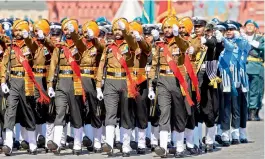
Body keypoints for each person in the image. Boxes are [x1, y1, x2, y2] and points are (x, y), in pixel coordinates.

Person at [1, 19, 50, 155]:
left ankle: (32, 143)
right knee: (10, 111)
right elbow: (4, 65)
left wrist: (27, 37)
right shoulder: (11, 47)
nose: (16, 33)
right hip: (14, 81)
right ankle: (8, 144)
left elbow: (34, 51)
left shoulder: (31, 45)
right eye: (15, 31)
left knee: (28, 111)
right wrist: (3, 82)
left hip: (27, 82)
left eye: (19, 30)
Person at [148, 15, 191, 158]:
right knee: (164, 112)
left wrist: (178, 36)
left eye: (169, 27)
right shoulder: (159, 45)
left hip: (177, 81)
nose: (166, 30)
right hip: (163, 81)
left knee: (179, 113)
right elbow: (154, 66)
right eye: (164, 28)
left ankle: (179, 147)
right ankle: (164, 147)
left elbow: (185, 48)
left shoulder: (181, 42)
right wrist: (150, 87)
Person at [96, 17, 138, 157]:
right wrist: (98, 86)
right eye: (115, 29)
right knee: (110, 113)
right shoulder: (108, 47)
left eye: (120, 29)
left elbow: (133, 44)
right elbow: (101, 65)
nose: (117, 32)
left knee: (126, 114)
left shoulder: (131, 44)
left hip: (126, 81)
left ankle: (126, 145)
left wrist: (126, 32)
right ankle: (109, 144)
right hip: (110, 82)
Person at [46, 18, 83, 155]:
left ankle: (78, 143)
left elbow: (80, 46)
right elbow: (53, 66)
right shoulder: (59, 47)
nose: (67, 32)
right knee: (59, 112)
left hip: (75, 82)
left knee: (76, 114)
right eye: (65, 29)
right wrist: (50, 84)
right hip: (61, 82)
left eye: (69, 29)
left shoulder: (80, 45)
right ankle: (56, 143)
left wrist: (75, 34)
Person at [69, 20, 105, 153]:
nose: (85, 34)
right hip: (78, 79)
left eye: (88, 31)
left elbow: (101, 49)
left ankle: (97, 141)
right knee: (77, 110)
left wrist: (94, 39)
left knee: (95, 110)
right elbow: (78, 42)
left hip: (92, 80)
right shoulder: (79, 45)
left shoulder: (99, 46)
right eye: (84, 32)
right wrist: (73, 33)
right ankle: (77, 142)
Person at [192, 16, 219, 152]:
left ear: (205, 27)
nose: (197, 29)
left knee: (209, 111)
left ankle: (209, 140)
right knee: (195, 112)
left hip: (207, 79)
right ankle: (196, 141)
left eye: (199, 26)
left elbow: (214, 43)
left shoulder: (210, 39)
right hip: (194, 79)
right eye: (195, 26)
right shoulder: (191, 40)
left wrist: (205, 41)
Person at [244, 20, 264, 121]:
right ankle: (246, 112)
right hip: (244, 68)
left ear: (256, 28)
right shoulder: (241, 38)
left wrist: (256, 44)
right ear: (244, 27)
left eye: (252, 25)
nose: (250, 27)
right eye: (248, 25)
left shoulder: (260, 38)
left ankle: (253, 112)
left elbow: (263, 48)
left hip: (256, 67)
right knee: (245, 90)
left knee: (255, 91)